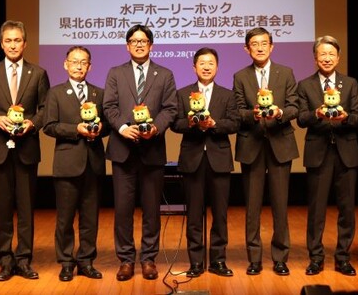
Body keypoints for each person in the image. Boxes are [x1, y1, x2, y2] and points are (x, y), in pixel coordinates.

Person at [0, 20, 50, 281]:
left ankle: (24, 259)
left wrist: (32, 123)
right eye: (8, 40)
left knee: (26, 209)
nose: (13, 45)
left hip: (26, 148)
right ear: (1, 44)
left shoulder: (38, 73)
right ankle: (5, 260)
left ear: (25, 43)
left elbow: (45, 109)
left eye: (17, 40)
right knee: (3, 209)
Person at [103, 24, 178, 281]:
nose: (138, 44)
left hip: (152, 150)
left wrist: (154, 128)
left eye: (143, 41)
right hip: (122, 151)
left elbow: (170, 108)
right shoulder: (116, 73)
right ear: (127, 46)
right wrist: (123, 128)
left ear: (151, 45)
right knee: (123, 210)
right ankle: (125, 260)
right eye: (134, 41)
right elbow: (109, 106)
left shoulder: (164, 74)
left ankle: (148, 259)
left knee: (151, 210)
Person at [233, 27, 299, 276]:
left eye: (264, 43)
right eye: (254, 44)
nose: (259, 48)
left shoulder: (286, 72)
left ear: (272, 46)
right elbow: (238, 111)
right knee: (252, 207)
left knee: (280, 206)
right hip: (251, 145)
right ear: (246, 49)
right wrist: (252, 115)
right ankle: (255, 259)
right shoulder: (240, 76)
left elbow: (294, 106)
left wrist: (280, 113)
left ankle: (280, 258)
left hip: (280, 143)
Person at [296, 35, 358, 277]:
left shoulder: (351, 83)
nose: (327, 58)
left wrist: (345, 118)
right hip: (318, 152)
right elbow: (301, 118)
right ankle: (316, 258)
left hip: (346, 153)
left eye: (331, 54)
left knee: (347, 209)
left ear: (338, 57)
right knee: (316, 210)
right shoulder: (305, 85)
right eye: (322, 54)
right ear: (315, 58)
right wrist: (317, 114)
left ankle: (343, 257)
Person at [171, 47, 241, 278]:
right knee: (193, 215)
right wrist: (191, 123)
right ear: (194, 67)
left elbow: (235, 123)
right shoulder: (183, 94)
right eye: (202, 63)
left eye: (211, 63)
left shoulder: (227, 95)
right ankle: (196, 262)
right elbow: (175, 124)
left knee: (220, 214)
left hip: (219, 160)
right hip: (192, 159)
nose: (206, 67)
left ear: (217, 67)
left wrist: (214, 124)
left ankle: (218, 261)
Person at [43, 46, 109, 282]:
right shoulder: (55, 93)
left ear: (90, 66)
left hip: (93, 163)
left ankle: (86, 261)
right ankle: (66, 262)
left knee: (90, 218)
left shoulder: (99, 93)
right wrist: (76, 130)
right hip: (67, 163)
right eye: (74, 62)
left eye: (83, 63)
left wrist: (100, 129)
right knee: (65, 218)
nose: (79, 66)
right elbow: (49, 126)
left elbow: (108, 125)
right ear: (65, 64)